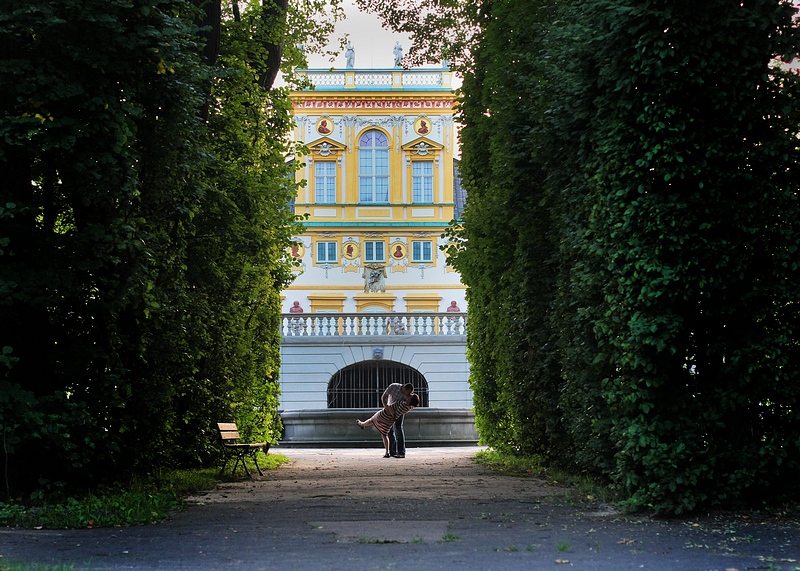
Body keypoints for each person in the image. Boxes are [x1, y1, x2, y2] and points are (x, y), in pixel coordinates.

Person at [357, 392, 420, 458]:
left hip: (386, 414)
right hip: (389, 419)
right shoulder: (408, 407)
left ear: (410, 400)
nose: (409, 395)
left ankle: (362, 424)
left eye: (411, 395)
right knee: (384, 433)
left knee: (373, 420)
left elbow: (396, 412)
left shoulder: (403, 404)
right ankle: (387, 452)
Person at [384, 382, 414, 457]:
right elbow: (383, 397)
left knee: (398, 428)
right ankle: (393, 451)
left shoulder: (408, 394)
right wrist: (387, 408)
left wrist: (406, 409)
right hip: (390, 408)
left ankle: (401, 452)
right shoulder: (393, 387)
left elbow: (411, 403)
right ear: (404, 388)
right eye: (407, 393)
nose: (407, 395)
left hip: (400, 410)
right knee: (390, 430)